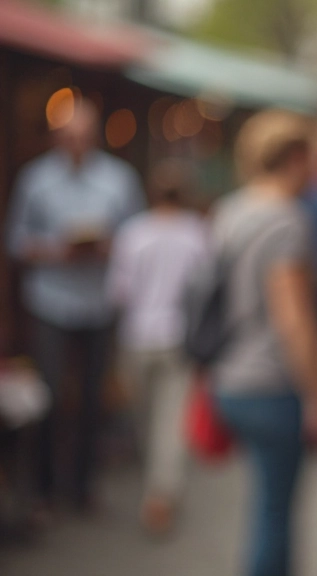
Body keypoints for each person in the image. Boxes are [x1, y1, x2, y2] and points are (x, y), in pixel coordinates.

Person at [209, 109, 317, 576]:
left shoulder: (230, 210)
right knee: (275, 513)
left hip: (230, 378)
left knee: (263, 504)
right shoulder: (286, 222)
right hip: (273, 384)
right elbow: (294, 323)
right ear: (294, 157)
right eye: (310, 156)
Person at [6, 99, 144, 512]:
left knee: (91, 396)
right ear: (56, 138)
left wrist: (108, 248)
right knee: (47, 394)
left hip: (99, 301)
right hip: (51, 299)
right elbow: (16, 240)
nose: (77, 144)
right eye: (69, 137)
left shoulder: (119, 179)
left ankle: (83, 486)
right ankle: (45, 487)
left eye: (84, 136)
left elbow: (137, 239)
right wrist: (54, 252)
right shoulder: (35, 180)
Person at [106, 159, 208, 535]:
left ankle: (158, 495)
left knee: (148, 420)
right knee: (169, 422)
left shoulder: (133, 234)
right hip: (178, 336)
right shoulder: (197, 234)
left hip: (137, 336)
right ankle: (161, 491)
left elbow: (118, 292)